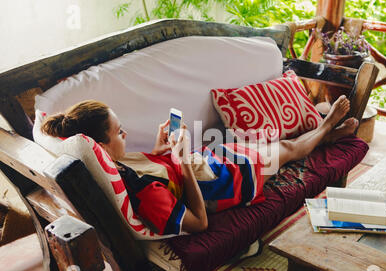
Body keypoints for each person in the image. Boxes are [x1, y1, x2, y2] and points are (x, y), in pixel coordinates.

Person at [41, 97, 358, 236]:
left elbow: (157, 171)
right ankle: (327, 127)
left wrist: (160, 148)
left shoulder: (117, 161)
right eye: (118, 131)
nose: (125, 134)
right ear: (102, 143)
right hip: (231, 179)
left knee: (272, 143)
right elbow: (199, 222)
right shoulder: (144, 195)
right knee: (286, 149)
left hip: (211, 159)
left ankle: (325, 135)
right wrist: (181, 160)